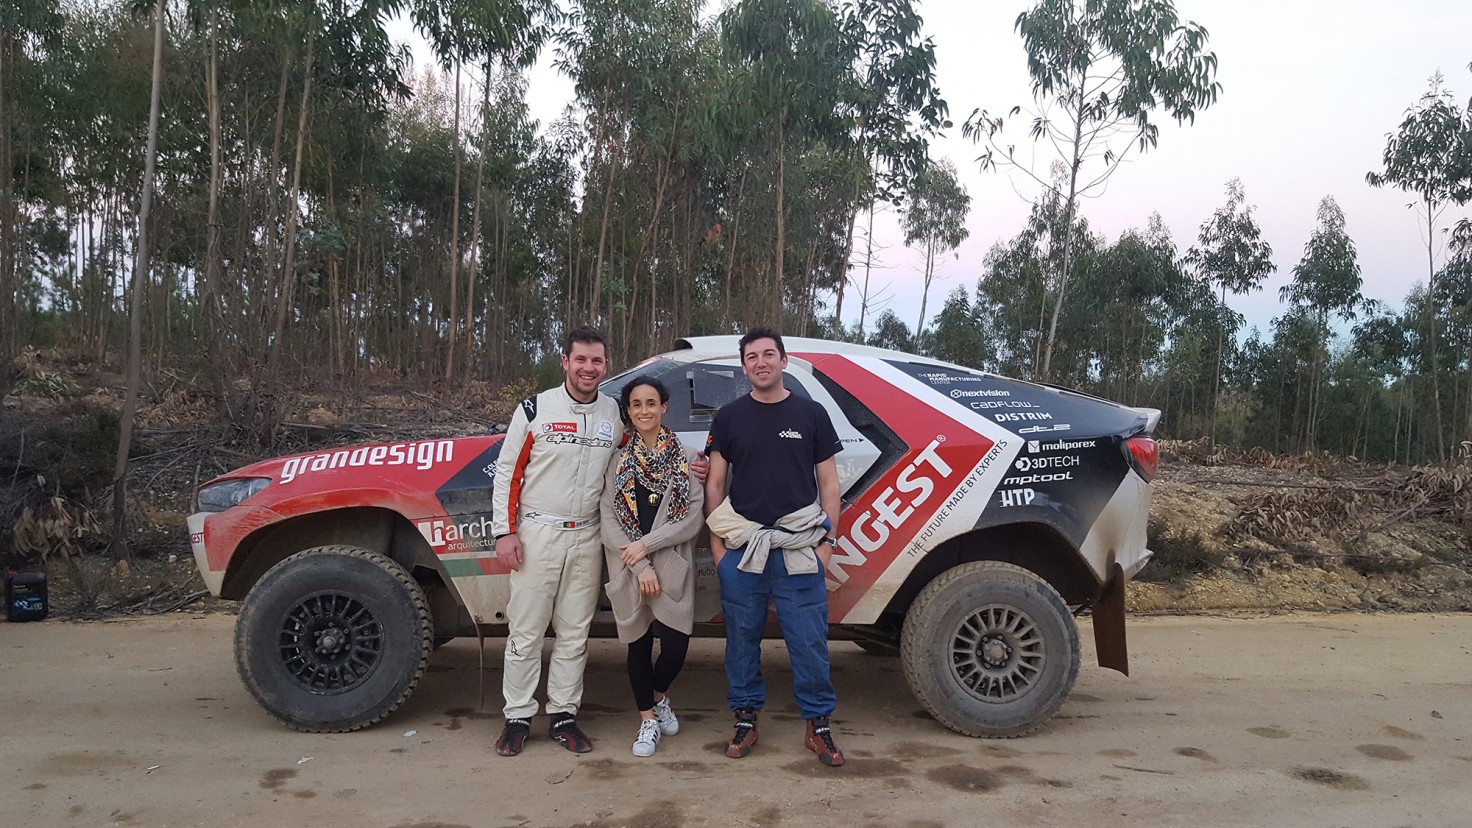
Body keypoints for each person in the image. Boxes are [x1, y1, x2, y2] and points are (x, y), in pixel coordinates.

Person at [703, 327, 846, 767]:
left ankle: (818, 725)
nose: (760, 362)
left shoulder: (811, 414)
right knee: (741, 641)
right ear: (743, 367)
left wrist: (827, 544)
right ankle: (746, 718)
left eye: (768, 354)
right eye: (752, 357)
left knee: (809, 642)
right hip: (743, 550)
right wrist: (719, 551)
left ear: (784, 361)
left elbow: (829, 484)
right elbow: (715, 484)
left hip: (800, 549)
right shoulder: (729, 418)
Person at [490, 325, 623, 756]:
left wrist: (693, 465)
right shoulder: (534, 409)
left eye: (596, 360)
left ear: (606, 365)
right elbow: (508, 472)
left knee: (574, 634)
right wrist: (505, 531)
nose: (588, 368)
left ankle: (564, 715)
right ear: (565, 361)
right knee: (526, 632)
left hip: (587, 535)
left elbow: (645, 450)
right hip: (537, 534)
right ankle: (517, 718)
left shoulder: (614, 413)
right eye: (580, 359)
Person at [599, 376, 705, 757]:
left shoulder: (687, 458)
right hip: (630, 569)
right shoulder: (616, 462)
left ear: (663, 407)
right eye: (636, 404)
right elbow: (608, 519)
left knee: (676, 647)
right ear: (628, 412)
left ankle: (659, 696)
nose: (644, 410)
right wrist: (640, 563)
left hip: (671, 567)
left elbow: (692, 518)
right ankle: (647, 718)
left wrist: (647, 545)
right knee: (638, 647)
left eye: (651, 403)